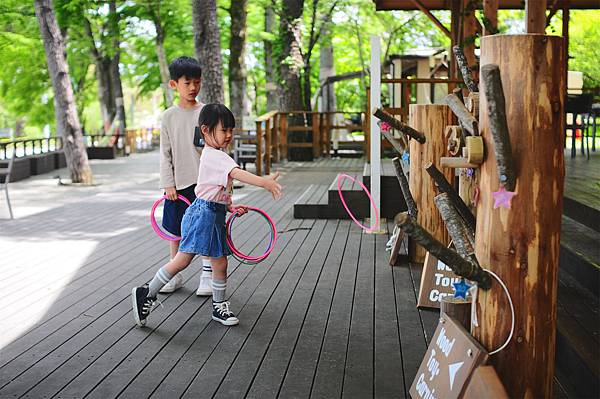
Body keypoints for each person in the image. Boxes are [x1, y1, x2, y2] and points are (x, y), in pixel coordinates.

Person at [132, 104, 282, 326]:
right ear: (205, 130)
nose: (229, 135)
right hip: (203, 215)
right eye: (224, 130)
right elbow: (236, 174)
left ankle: (218, 307)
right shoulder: (215, 156)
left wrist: (229, 207)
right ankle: (147, 292)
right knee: (182, 260)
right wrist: (265, 183)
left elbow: (212, 189)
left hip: (213, 213)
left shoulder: (217, 155)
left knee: (220, 263)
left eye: (231, 130)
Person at [158, 56, 213, 296]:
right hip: (177, 186)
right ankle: (174, 274)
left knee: (207, 228)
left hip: (205, 184)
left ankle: (208, 274)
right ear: (174, 85)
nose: (192, 88)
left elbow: (216, 147)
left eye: (197, 82)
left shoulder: (207, 113)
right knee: (175, 230)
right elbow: (165, 153)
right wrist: (168, 183)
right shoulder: (168, 116)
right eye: (187, 82)